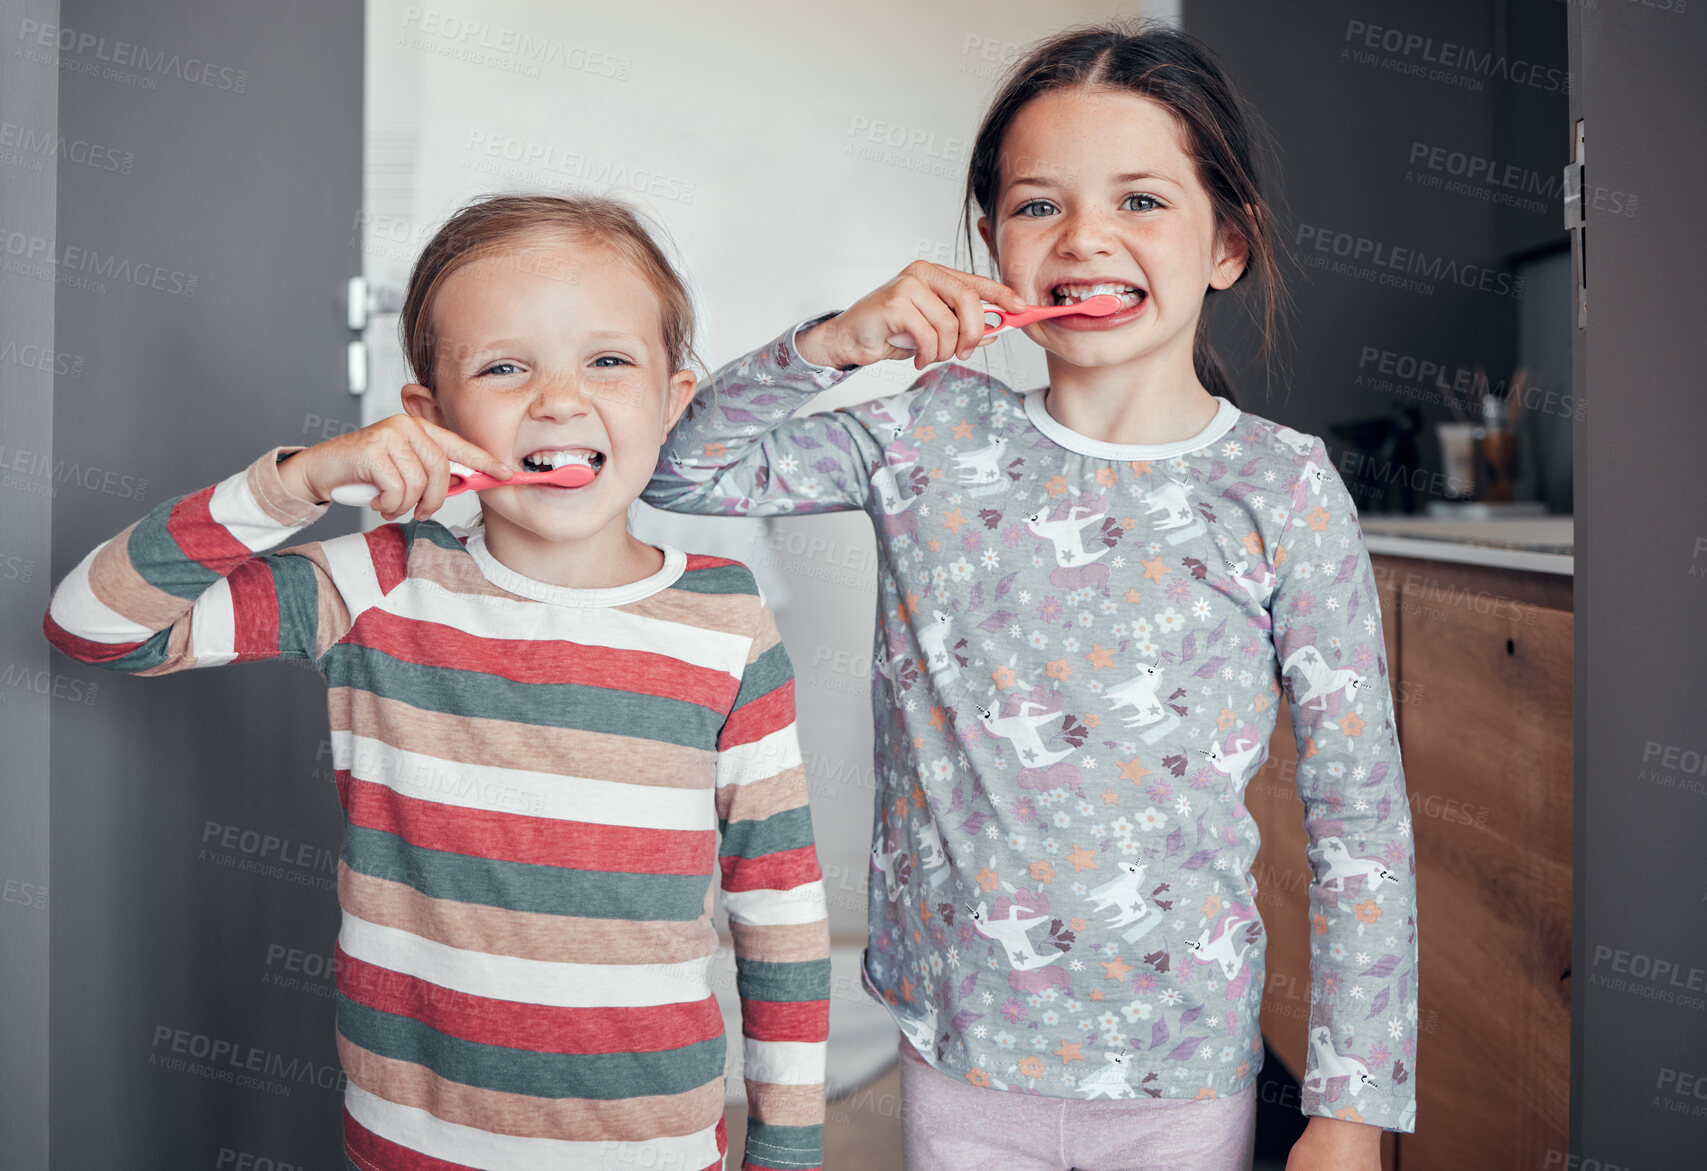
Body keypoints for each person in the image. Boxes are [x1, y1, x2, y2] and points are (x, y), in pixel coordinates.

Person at [645, 21, 1416, 1171]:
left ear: (1228, 245)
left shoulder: (1282, 486)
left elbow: (1359, 817)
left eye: (1142, 202)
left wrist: (1353, 1101)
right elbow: (680, 469)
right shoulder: (927, 431)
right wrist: (830, 343)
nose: (1086, 238)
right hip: (958, 1047)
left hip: (1180, 1068)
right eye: (1038, 205)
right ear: (992, 242)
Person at [44, 193, 831, 1171]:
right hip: (412, 1143)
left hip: (653, 1146)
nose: (558, 398)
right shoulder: (378, 580)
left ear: (672, 402)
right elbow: (95, 627)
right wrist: (294, 484)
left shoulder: (726, 618)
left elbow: (779, 898)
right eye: (505, 367)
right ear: (431, 416)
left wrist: (789, 1147)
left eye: (608, 360)